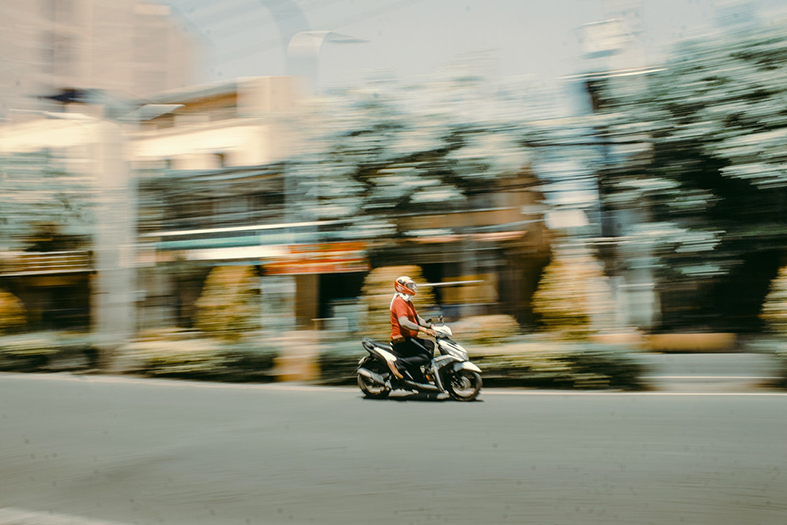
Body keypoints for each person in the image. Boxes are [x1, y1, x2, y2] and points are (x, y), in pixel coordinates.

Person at [388, 275, 437, 382]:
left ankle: (428, 372)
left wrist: (431, 326)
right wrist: (423, 330)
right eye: (410, 285)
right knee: (425, 357)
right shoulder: (399, 302)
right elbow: (403, 322)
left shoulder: (408, 302)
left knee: (430, 345)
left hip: (410, 338)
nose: (413, 287)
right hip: (402, 340)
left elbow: (418, 320)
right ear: (401, 287)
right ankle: (398, 364)